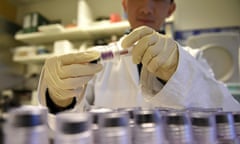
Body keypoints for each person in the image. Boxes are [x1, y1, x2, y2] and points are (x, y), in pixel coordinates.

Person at [37, 0, 240, 117]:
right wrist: (58, 101)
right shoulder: (99, 57)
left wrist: (182, 72)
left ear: (171, 9)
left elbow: (229, 116)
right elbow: (65, 127)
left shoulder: (193, 58)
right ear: (125, 3)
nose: (146, 8)